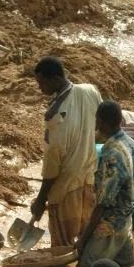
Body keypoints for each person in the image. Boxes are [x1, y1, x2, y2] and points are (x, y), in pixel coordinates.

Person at [31, 57, 102, 246]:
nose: (40, 88)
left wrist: (41, 199)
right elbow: (99, 126)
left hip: (65, 188)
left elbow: (52, 162)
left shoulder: (54, 115)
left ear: (55, 79)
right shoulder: (90, 90)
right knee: (86, 239)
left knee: (62, 244)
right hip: (88, 178)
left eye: (42, 83)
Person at [75, 101, 134, 267]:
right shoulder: (131, 143)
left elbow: (103, 202)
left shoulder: (112, 154)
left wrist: (83, 239)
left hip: (110, 225)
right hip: (126, 220)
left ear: (100, 122)